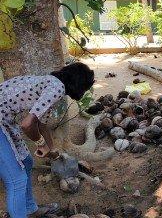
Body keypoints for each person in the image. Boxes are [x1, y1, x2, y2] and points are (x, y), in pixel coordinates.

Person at [0, 62, 95, 218]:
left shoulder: (50, 83)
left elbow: (41, 125)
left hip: (5, 121)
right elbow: (26, 124)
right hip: (1, 123)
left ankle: (31, 209)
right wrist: (40, 144)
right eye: (85, 87)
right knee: (16, 180)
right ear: (78, 83)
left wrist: (52, 150)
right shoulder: (57, 89)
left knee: (27, 162)